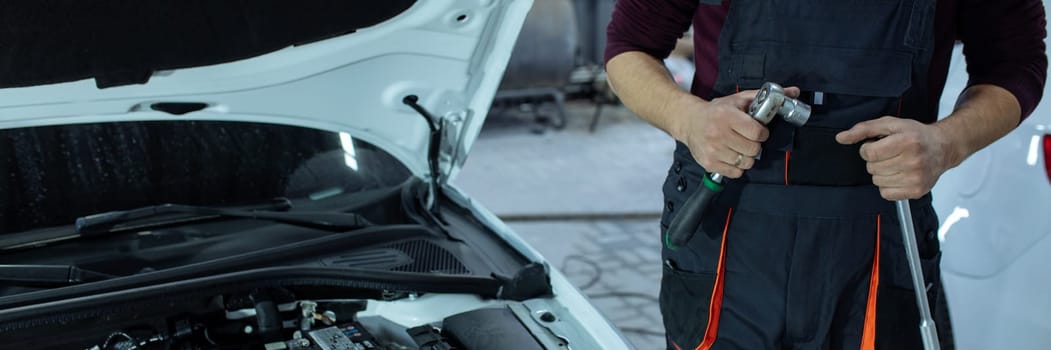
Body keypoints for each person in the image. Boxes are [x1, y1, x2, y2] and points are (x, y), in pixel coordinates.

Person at [603, 1, 1046, 349]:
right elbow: (628, 47)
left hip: (879, 235)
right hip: (727, 230)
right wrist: (689, 119)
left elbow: (1017, 63)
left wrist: (947, 143)